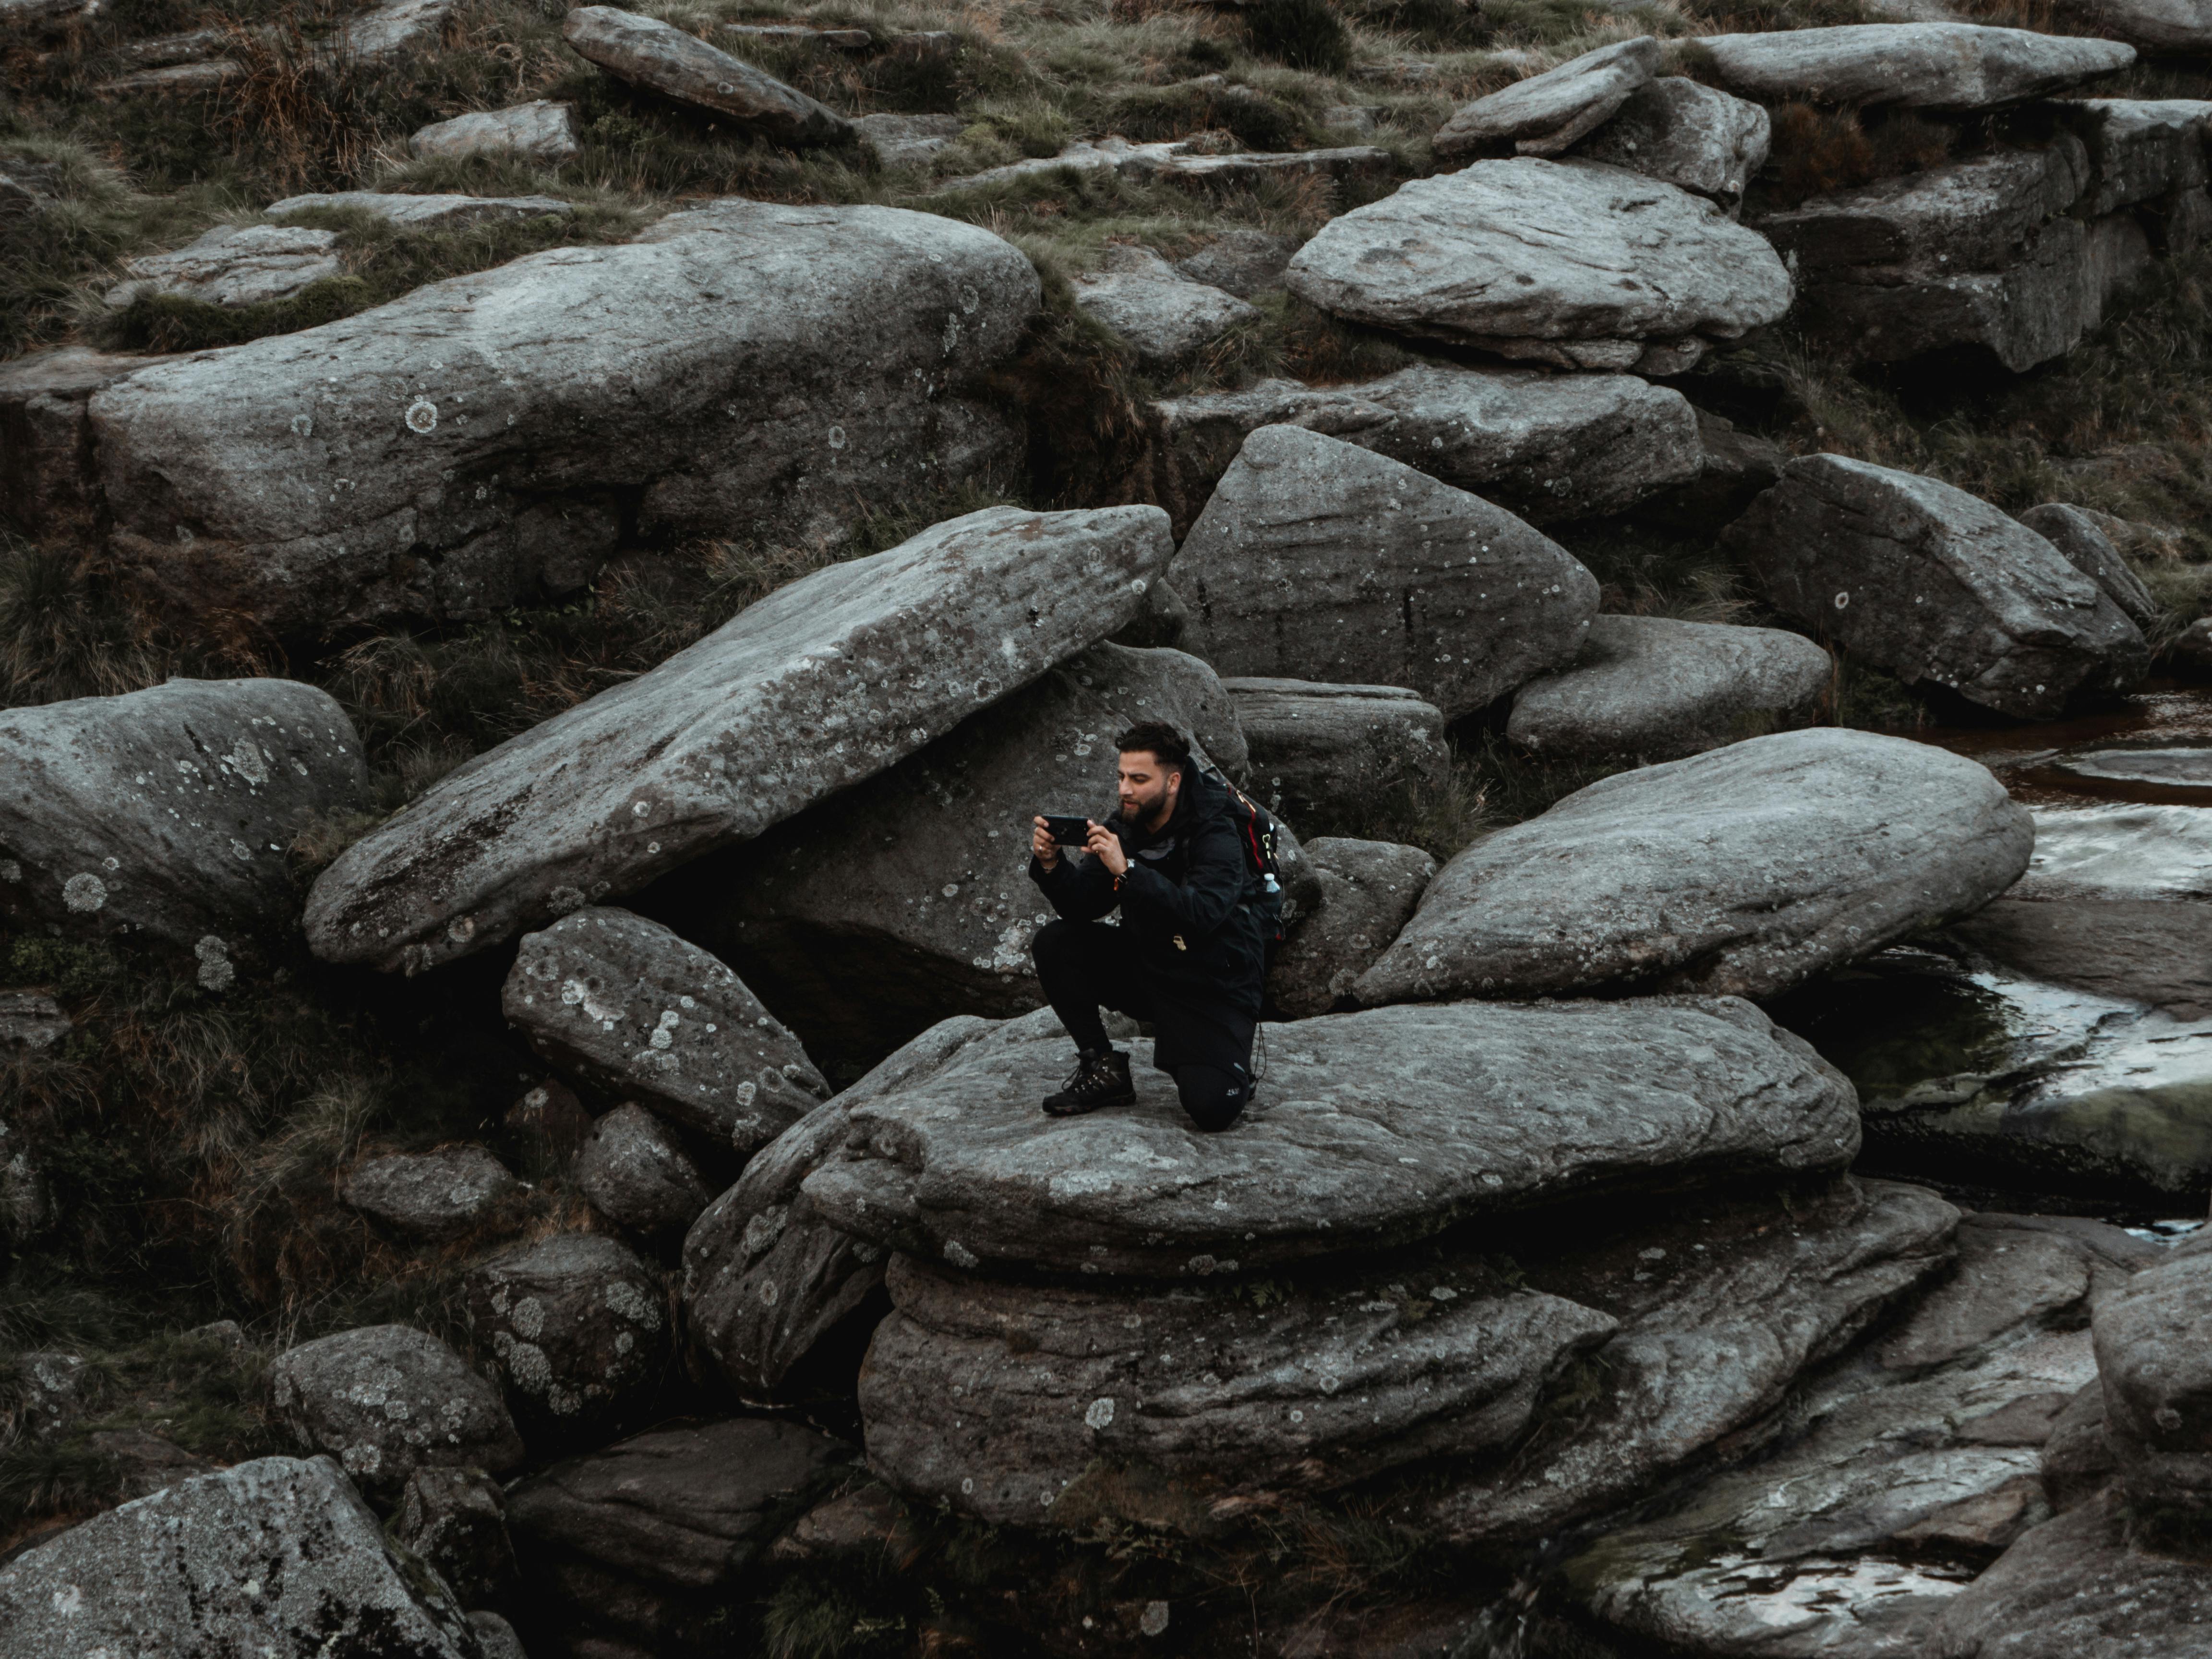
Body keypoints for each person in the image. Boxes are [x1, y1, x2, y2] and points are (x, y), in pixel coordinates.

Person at [1026, 720, 1268, 1131]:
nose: (1124, 790)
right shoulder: (1126, 824)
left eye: (1139, 779)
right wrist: (1052, 865)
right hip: (1150, 968)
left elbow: (1204, 913)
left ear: (1173, 781)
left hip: (1211, 984)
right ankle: (1105, 1070)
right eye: (1121, 777)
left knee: (1211, 1110)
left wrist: (1129, 870)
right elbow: (1084, 906)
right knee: (1057, 943)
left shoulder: (1216, 830)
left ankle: (1223, 1065)